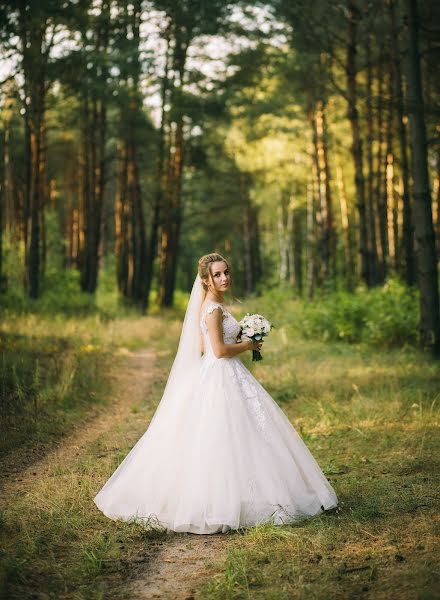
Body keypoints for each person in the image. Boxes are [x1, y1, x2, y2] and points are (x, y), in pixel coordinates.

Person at [94, 253, 338, 534]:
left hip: (222, 372)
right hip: (222, 375)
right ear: (206, 280)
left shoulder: (213, 306)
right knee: (227, 436)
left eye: (226, 272)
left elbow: (204, 346)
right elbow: (219, 352)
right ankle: (222, 502)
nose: (224, 278)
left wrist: (241, 337)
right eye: (218, 275)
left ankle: (240, 494)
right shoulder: (213, 309)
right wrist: (247, 345)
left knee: (243, 436)